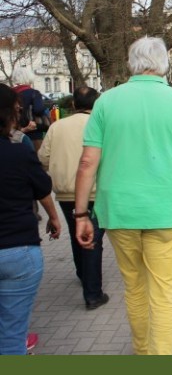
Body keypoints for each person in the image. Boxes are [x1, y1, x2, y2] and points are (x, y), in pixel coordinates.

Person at [74, 36, 172, 355]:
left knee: (134, 289)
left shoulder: (106, 101)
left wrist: (80, 214)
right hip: (162, 210)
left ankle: (143, 353)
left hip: (119, 213)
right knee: (163, 295)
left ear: (131, 63)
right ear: (163, 64)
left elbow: (87, 162)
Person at [0, 84, 61, 355]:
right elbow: (43, 188)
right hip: (18, 249)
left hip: (17, 249)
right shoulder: (18, 151)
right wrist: (53, 217)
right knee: (13, 334)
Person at [38, 87, 109, 310]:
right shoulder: (101, 125)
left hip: (66, 192)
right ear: (96, 104)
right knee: (93, 239)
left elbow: (43, 158)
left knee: (76, 234)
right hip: (96, 191)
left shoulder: (56, 127)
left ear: (72, 105)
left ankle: (83, 274)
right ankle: (93, 293)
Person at [11, 68, 49, 151]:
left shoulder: (9, 93)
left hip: (13, 133)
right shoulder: (34, 93)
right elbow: (38, 110)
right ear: (29, 78)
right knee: (35, 159)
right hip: (33, 133)